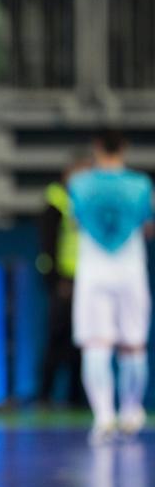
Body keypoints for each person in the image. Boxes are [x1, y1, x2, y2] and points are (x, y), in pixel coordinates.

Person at [69, 130, 154, 444]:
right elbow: (147, 226)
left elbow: (75, 222)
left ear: (95, 147)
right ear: (125, 148)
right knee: (134, 345)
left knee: (96, 345)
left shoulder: (79, 184)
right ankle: (131, 411)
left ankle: (103, 416)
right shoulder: (141, 185)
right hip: (130, 270)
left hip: (94, 272)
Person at [37, 153, 91, 407]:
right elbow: (48, 243)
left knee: (84, 340)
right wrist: (57, 279)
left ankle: (76, 396)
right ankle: (45, 395)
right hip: (64, 280)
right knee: (56, 337)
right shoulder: (57, 201)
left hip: (89, 279)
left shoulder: (88, 202)